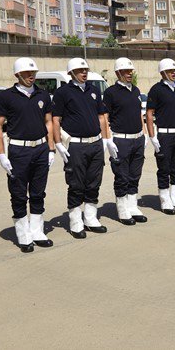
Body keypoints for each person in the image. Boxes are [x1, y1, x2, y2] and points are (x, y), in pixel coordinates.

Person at [0, 58, 55, 252]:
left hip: (41, 149)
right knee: (19, 193)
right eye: (27, 74)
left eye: (33, 73)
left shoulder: (42, 94)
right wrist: (2, 155)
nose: (31, 76)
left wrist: (51, 149)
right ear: (17, 75)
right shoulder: (6, 97)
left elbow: (48, 122)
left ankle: (36, 231)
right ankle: (23, 233)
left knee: (38, 192)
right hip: (19, 151)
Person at [52, 58, 109, 239]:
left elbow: (101, 116)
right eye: (80, 70)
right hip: (75, 145)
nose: (84, 73)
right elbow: (55, 120)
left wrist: (105, 139)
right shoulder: (63, 92)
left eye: (85, 69)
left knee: (94, 181)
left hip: (96, 143)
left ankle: (90, 218)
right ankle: (76, 221)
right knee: (76, 183)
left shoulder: (93, 90)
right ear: (71, 73)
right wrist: (58, 143)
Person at [102, 58, 148, 225]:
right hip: (120, 140)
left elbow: (139, 114)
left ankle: (132, 206)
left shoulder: (135, 90)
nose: (129, 74)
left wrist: (145, 134)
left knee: (135, 174)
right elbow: (105, 117)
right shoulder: (111, 93)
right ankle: (122, 209)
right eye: (126, 71)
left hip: (137, 138)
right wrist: (108, 139)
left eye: (131, 71)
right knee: (122, 175)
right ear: (118, 73)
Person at [146, 58, 175, 215]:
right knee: (164, 169)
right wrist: (152, 136)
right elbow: (149, 114)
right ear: (162, 72)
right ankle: (165, 200)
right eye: (170, 71)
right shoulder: (156, 90)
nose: (174, 73)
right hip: (164, 135)